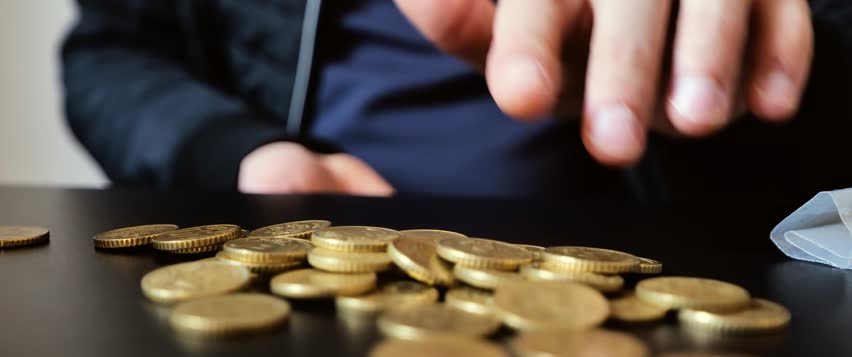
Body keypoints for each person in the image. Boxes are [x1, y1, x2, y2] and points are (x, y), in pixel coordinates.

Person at [62, 1, 852, 202]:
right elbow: (110, 53)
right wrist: (235, 153)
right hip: (300, 282)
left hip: (655, 263)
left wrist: (723, 56)